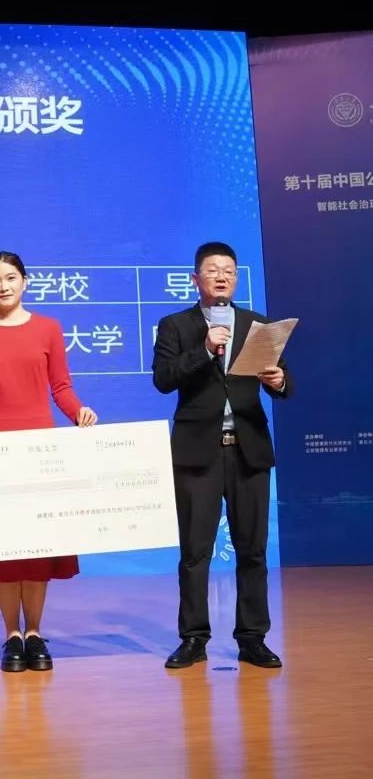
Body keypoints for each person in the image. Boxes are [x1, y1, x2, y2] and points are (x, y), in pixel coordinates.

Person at [152, 241, 291, 670]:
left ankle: (253, 638)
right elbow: (163, 379)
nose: (221, 277)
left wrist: (279, 381)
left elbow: (284, 384)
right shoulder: (176, 325)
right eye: (212, 270)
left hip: (249, 449)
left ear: (236, 278)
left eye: (228, 270)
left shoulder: (257, 324)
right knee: (196, 551)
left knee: (253, 550)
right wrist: (204, 349)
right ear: (196, 279)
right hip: (198, 452)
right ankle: (194, 638)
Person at [0, 251, 97, 672]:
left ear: (25, 281)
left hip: (41, 447)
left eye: (11, 278)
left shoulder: (48, 328)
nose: (3, 286)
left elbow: (61, 386)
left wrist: (78, 412)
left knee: (38, 548)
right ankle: (11, 635)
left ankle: (34, 632)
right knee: (4, 548)